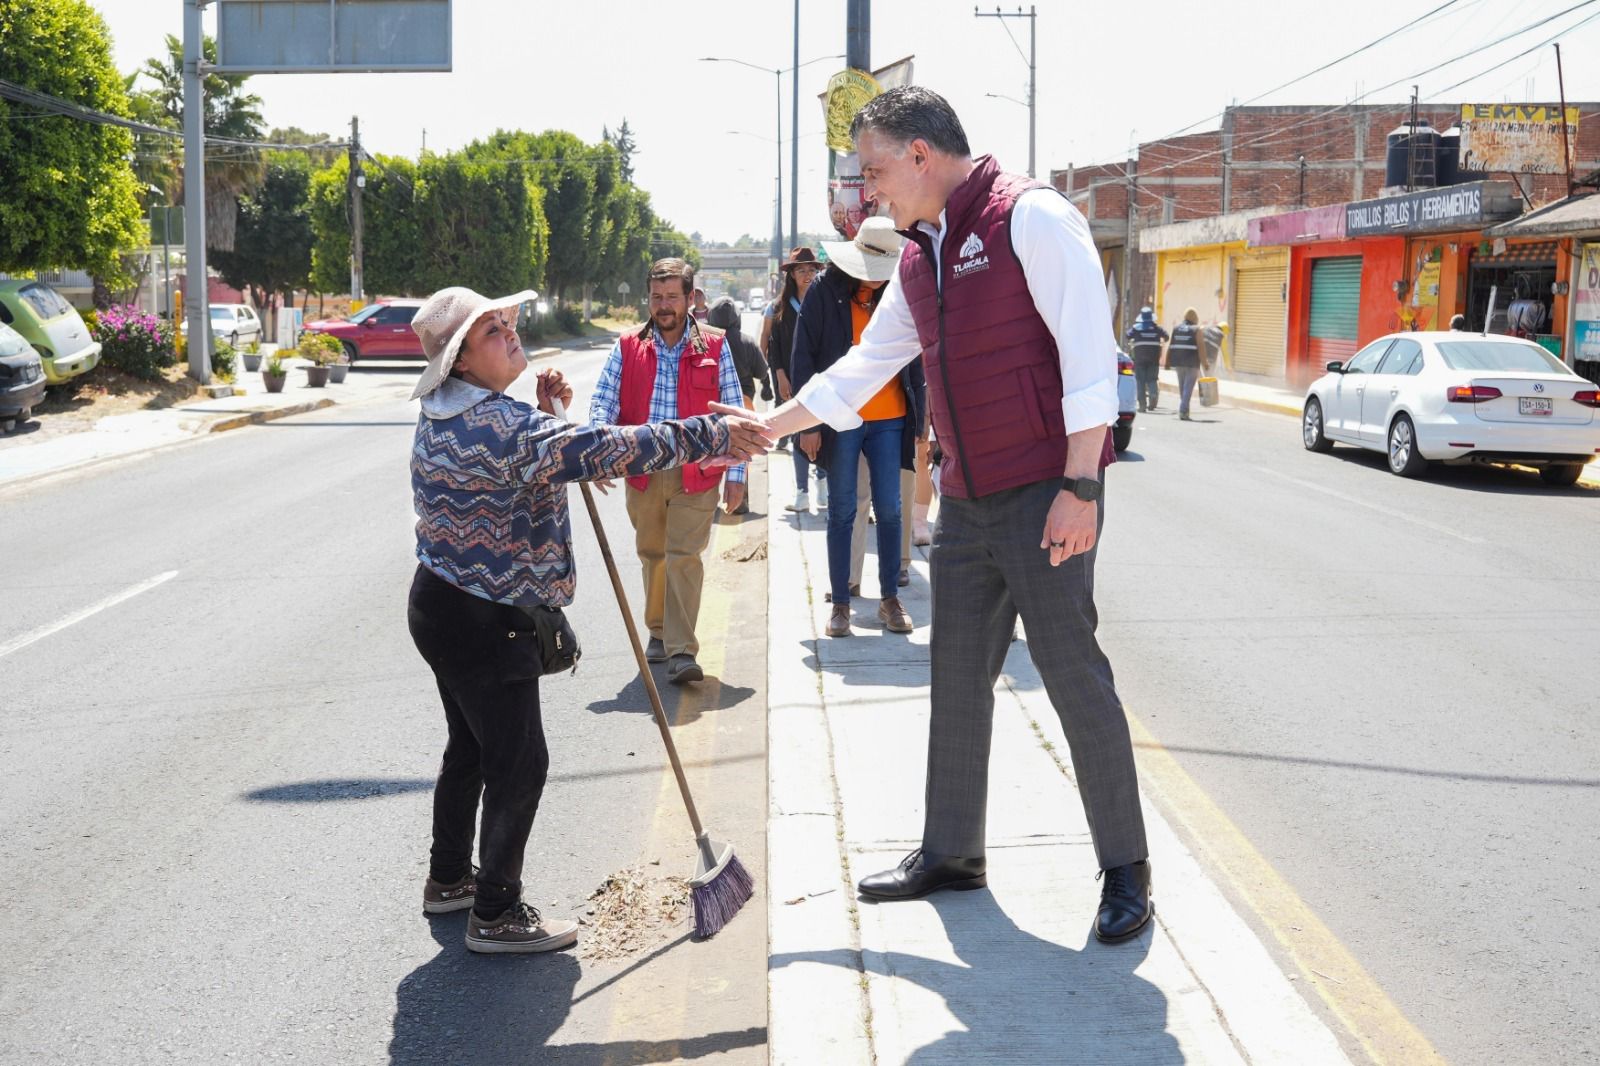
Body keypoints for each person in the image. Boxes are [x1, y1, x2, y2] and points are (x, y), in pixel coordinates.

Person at [716, 86, 1152, 943]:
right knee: (954, 677)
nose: (868, 192)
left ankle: (1126, 871)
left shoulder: (1029, 217)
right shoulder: (918, 258)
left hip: (1044, 492)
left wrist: (1082, 486)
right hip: (965, 499)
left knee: (1073, 678)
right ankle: (952, 853)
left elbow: (1090, 360)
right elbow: (862, 369)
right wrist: (771, 425)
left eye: (875, 171)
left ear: (920, 154)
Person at [406, 286, 768, 954]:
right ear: (459, 362)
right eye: (491, 332)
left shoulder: (453, 412)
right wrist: (714, 434)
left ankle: (450, 878)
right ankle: (496, 912)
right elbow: (605, 449)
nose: (510, 333)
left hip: (441, 604)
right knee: (518, 763)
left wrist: (550, 419)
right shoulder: (500, 429)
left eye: (507, 323)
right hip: (485, 621)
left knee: (471, 749)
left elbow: (539, 453)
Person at [589, 258, 749, 685]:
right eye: (657, 297)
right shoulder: (627, 346)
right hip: (642, 472)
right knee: (653, 555)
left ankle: (682, 650)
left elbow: (736, 409)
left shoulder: (715, 346)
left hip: (697, 474)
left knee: (684, 556)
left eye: (672, 297)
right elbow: (603, 402)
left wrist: (737, 475)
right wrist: (598, 451)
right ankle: (658, 631)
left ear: (690, 299)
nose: (663, 306)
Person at [790, 217, 926, 638]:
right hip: (841, 418)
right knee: (843, 511)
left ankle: (889, 598)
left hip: (891, 420)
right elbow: (802, 357)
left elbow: (917, 358)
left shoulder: (900, 295)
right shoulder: (823, 292)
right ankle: (841, 604)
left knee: (890, 511)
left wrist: (921, 418)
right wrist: (806, 424)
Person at [767, 247, 827, 511]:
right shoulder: (781, 308)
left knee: (823, 431)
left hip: (822, 380)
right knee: (796, 434)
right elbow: (773, 345)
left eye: (811, 270)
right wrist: (780, 376)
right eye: (801, 270)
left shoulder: (825, 302)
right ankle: (801, 493)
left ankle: (823, 488)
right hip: (791, 382)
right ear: (791, 275)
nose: (807, 275)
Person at [1124, 306, 1166, 413]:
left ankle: (1142, 405)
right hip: (1153, 360)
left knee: (1140, 382)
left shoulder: (1136, 328)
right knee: (1152, 379)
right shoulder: (1157, 329)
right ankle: (1153, 396)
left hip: (1139, 360)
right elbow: (1166, 336)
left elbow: (1127, 335)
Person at [1165, 307, 1203, 421]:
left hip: (1178, 362)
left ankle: (1184, 410)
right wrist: (1205, 363)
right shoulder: (1196, 329)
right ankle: (1183, 410)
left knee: (1183, 387)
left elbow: (1170, 346)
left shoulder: (1176, 328)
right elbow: (1201, 348)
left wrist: (1167, 362)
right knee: (1188, 388)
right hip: (1192, 363)